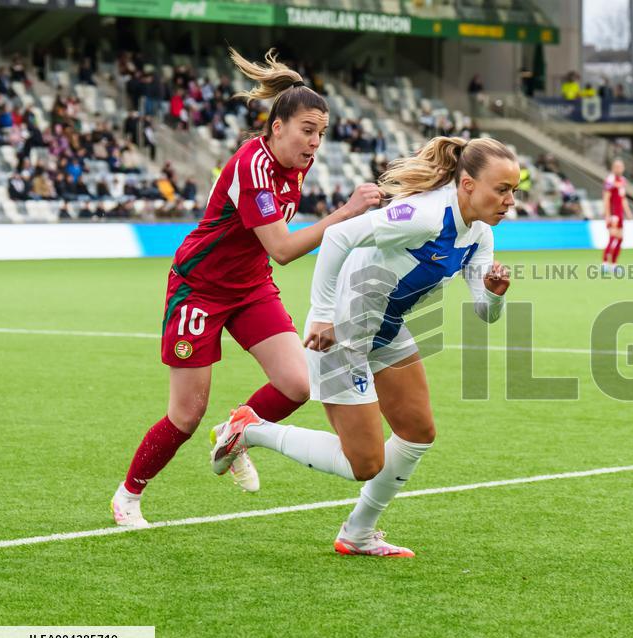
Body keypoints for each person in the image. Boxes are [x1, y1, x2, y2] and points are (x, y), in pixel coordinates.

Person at [207, 136, 518, 557]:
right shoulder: (425, 215)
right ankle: (250, 428)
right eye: (502, 189)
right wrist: (322, 314)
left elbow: (485, 312)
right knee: (365, 463)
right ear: (466, 185)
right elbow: (337, 239)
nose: (510, 201)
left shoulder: (479, 235)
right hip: (342, 334)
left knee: (418, 433)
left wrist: (495, 293)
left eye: (514, 191)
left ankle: (357, 534)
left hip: (387, 329)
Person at [110, 47, 382, 527]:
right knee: (186, 415)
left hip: (250, 286)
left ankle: (237, 428)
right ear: (277, 127)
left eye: (320, 133)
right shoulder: (251, 166)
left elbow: (268, 254)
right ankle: (128, 495)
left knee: (298, 384)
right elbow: (280, 247)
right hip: (199, 288)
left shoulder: (295, 163)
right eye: (307, 131)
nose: (315, 143)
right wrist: (344, 214)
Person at [602, 159, 633, 272]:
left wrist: (628, 212)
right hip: (613, 213)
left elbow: (623, 198)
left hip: (620, 214)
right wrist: (607, 215)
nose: (619, 169)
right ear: (613, 168)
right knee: (612, 237)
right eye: (617, 167)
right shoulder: (610, 180)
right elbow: (606, 198)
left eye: (621, 166)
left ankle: (614, 265)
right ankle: (605, 264)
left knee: (620, 239)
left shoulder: (623, 181)